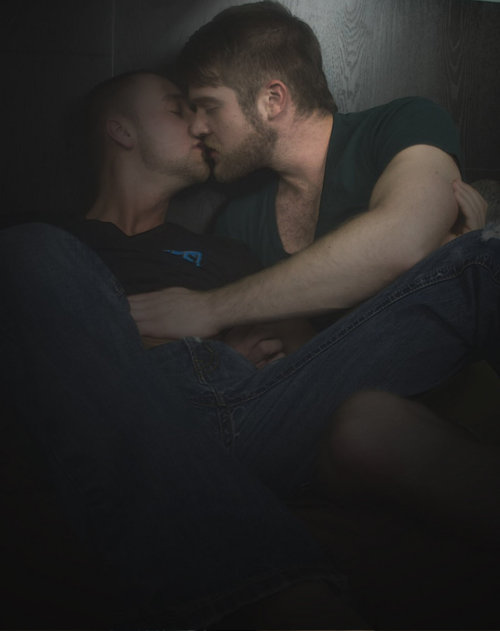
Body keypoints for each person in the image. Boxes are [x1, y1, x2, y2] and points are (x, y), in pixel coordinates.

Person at [1, 69, 498, 629]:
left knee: (483, 256)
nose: (199, 125)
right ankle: (285, 596)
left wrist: (439, 257)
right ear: (121, 130)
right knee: (28, 251)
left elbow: (312, 357)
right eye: (178, 108)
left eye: (201, 109)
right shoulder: (49, 243)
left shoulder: (230, 250)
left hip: (257, 403)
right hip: (136, 414)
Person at [127, 0, 486, 341]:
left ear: (272, 101)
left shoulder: (401, 124)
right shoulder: (238, 221)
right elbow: (287, 358)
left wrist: (210, 309)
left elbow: (404, 239)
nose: (197, 127)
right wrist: (444, 267)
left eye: (209, 107)